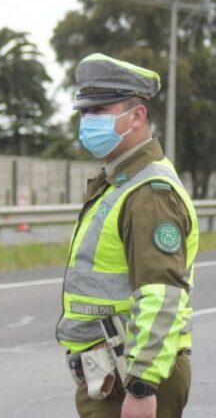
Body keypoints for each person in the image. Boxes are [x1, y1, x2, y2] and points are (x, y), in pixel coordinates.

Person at [55, 53, 198, 418]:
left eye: (100, 111)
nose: (88, 122)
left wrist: (141, 385)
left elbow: (162, 295)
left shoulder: (148, 192)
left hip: (132, 375)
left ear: (137, 116)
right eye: (85, 112)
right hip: (110, 372)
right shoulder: (118, 183)